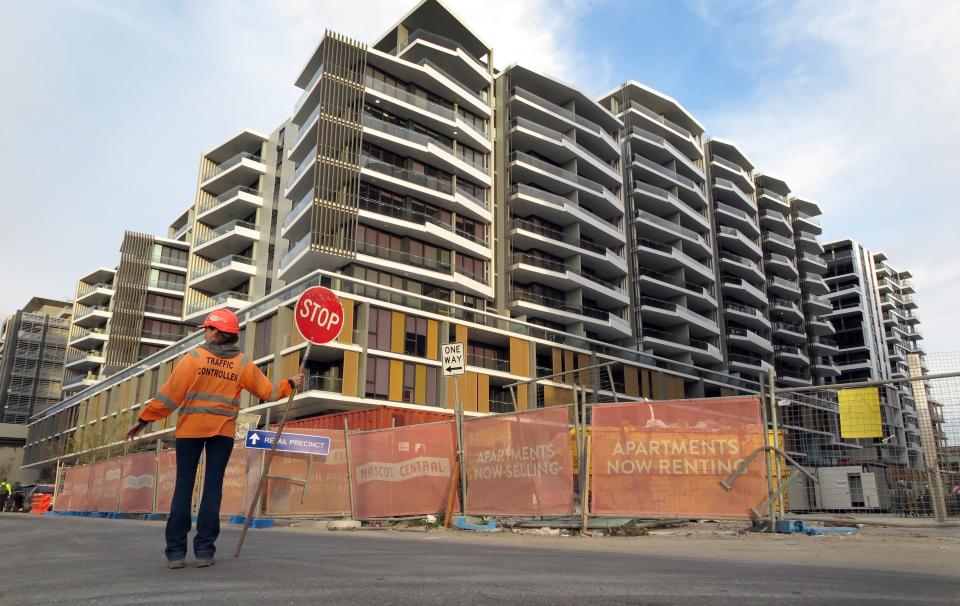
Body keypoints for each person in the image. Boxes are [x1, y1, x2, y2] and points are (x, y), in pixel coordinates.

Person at [125, 309, 303, 569]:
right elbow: (267, 391)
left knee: (184, 487)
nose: (205, 334)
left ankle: (175, 553)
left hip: (190, 432)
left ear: (217, 333)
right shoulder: (242, 364)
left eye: (207, 329)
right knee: (212, 489)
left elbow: (169, 397)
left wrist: (143, 420)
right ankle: (204, 551)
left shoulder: (194, 358)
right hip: (222, 433)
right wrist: (290, 383)